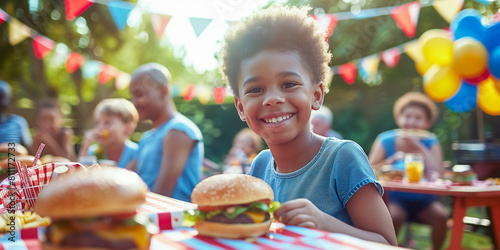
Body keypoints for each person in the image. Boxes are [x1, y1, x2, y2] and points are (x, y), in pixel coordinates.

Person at [219, 4, 397, 245]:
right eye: (256, 89)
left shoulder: (342, 158)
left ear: (316, 95)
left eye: (289, 84)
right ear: (240, 107)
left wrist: (325, 224)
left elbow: (387, 244)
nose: (272, 98)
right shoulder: (260, 165)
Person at [368, 92, 448, 250]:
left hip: (425, 199)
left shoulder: (431, 141)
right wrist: (391, 161)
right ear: (399, 118)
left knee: (441, 216)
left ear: (427, 122)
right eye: (408, 116)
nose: (411, 121)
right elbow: (369, 169)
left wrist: (420, 148)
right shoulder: (385, 139)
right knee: (394, 217)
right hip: (394, 197)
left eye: (418, 118)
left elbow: (439, 172)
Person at [128, 63, 203, 202]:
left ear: (163, 91)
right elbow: (125, 177)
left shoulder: (178, 130)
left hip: (172, 220)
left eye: (139, 94)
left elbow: (161, 196)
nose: (134, 102)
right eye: (132, 96)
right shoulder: (147, 137)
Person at [78, 98, 139, 168]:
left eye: (107, 123)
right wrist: (86, 145)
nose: (100, 127)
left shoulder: (137, 153)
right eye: (97, 123)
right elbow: (81, 172)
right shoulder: (93, 152)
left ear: (128, 128)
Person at [0, 80, 32, 148]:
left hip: (14, 157)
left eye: (2, 98)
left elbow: (28, 148)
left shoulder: (18, 123)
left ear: (9, 101)